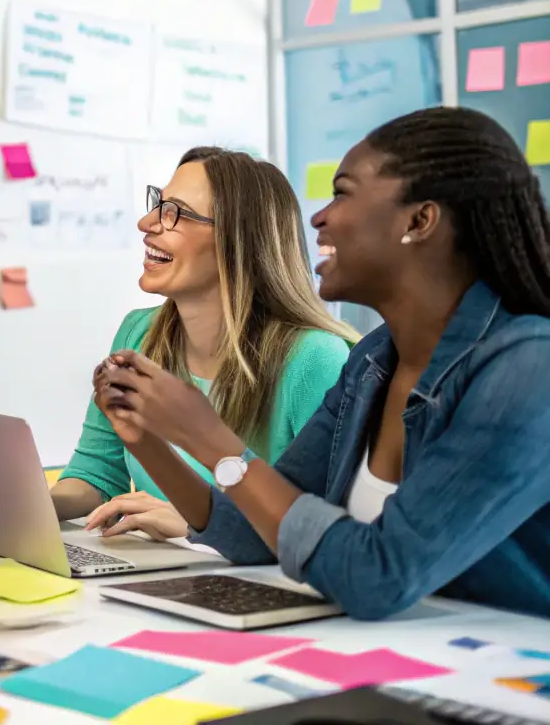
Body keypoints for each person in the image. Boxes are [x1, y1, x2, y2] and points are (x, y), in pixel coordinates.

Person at [96, 108, 550, 620]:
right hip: (397, 658)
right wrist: (147, 440)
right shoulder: (373, 362)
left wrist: (207, 436)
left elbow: (378, 575)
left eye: (343, 193)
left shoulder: (528, 369)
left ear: (419, 221)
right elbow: (255, 532)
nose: (318, 217)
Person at [51, 147, 356, 540]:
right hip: (165, 574)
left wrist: (199, 525)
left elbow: (322, 524)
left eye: (173, 212)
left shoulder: (316, 359)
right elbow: (96, 473)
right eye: (157, 204)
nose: (147, 223)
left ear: (238, 240)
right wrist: (22, 508)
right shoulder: (138, 334)